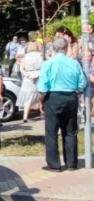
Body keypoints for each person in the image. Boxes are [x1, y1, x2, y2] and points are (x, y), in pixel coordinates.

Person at [37, 37, 87, 172]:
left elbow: (42, 86)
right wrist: (76, 91)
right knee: (70, 131)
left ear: (53, 48)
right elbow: (82, 83)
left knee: (51, 132)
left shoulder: (48, 64)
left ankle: (54, 164)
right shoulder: (74, 63)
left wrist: (41, 101)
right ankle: (72, 163)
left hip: (53, 97)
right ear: (66, 48)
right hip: (71, 97)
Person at [16, 41, 44, 122]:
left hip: (28, 77)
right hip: (39, 75)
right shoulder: (41, 56)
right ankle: (42, 113)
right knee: (41, 96)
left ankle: (25, 116)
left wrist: (28, 75)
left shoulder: (25, 57)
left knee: (28, 98)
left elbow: (21, 69)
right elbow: (44, 66)